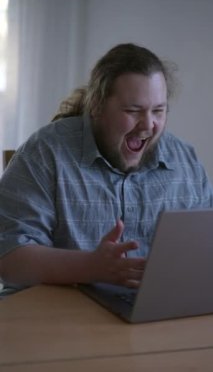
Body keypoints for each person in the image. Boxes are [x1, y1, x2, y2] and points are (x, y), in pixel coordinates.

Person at [0, 43, 213, 294]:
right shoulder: (45, 152)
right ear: (97, 106)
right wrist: (90, 267)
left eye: (158, 110)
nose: (148, 125)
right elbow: (8, 259)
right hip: (60, 319)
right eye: (133, 110)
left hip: (154, 321)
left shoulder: (184, 160)